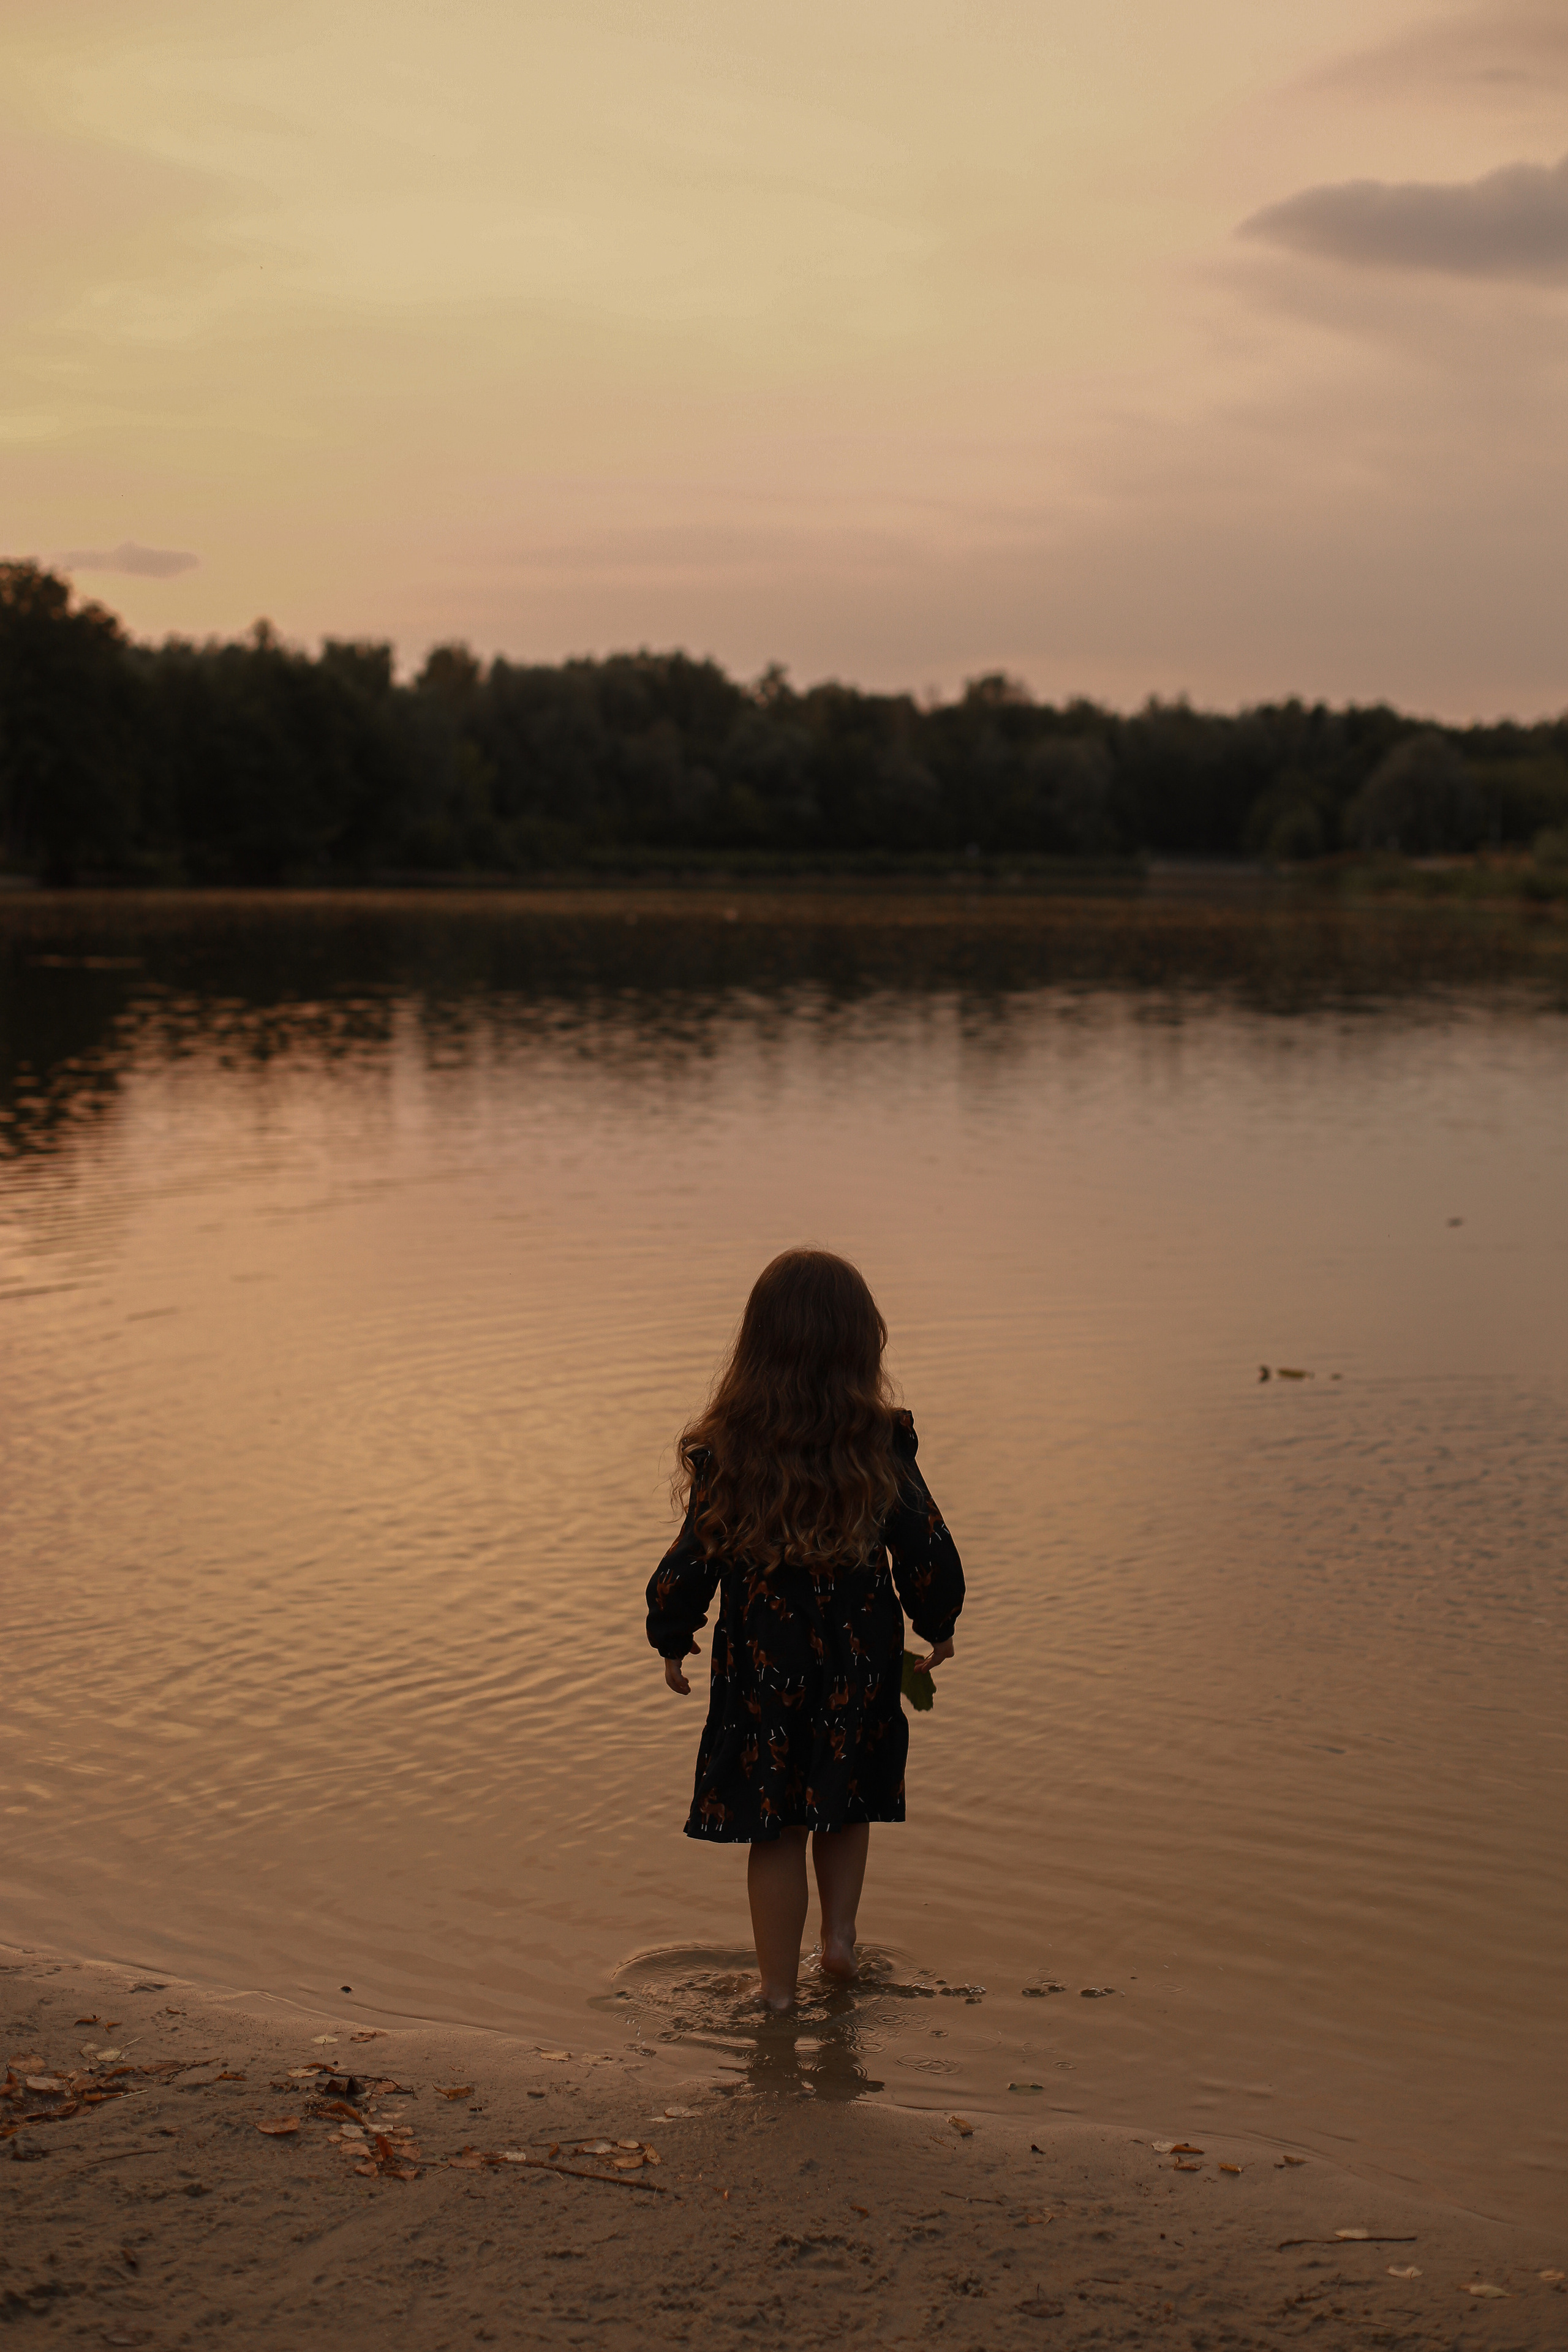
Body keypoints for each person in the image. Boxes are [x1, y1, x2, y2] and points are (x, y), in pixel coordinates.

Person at [645, 1247, 965, 2011]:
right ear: (862, 1344)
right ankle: (841, 1942)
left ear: (756, 1344)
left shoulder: (731, 1450)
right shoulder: (879, 1442)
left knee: (776, 1824)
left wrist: (671, 1631)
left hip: (764, 1666)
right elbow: (925, 1541)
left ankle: (778, 1993)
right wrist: (938, 1621)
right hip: (859, 1659)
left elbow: (691, 1559)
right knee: (845, 1799)